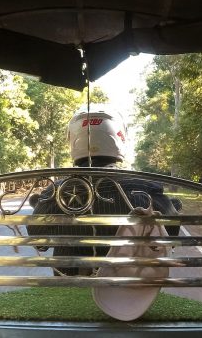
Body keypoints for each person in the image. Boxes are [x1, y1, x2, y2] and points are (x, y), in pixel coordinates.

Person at [29, 106, 180, 276]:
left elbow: (39, 243)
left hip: (70, 284)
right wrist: (172, 205)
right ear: (119, 137)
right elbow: (171, 238)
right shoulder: (145, 187)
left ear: (72, 139)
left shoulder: (54, 191)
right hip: (126, 285)